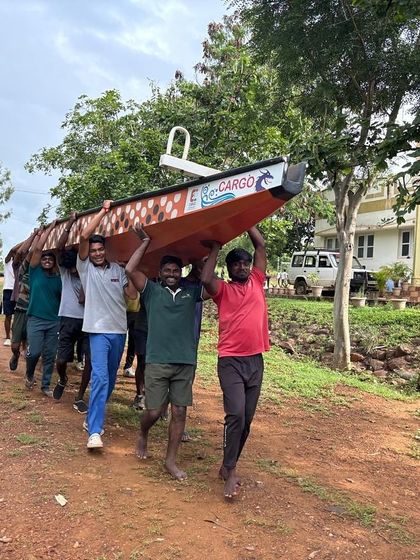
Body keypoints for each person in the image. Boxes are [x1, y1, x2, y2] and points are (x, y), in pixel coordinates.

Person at [125, 224, 203, 480]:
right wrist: (145, 241)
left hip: (184, 362)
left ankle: (170, 461)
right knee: (154, 412)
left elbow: (209, 278)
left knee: (180, 412)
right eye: (167, 270)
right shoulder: (151, 292)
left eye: (175, 270)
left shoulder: (191, 292)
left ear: (181, 273)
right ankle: (144, 434)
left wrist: (211, 250)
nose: (172, 274)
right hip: (158, 361)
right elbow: (129, 269)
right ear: (159, 273)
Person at [200, 226, 269, 499]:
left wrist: (248, 222)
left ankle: (229, 465)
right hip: (230, 361)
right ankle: (230, 471)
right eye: (236, 264)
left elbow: (260, 247)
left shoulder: (256, 280)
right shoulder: (222, 291)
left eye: (245, 263)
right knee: (235, 415)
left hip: (255, 361)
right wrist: (216, 247)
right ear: (228, 269)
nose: (242, 267)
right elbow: (206, 278)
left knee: (247, 420)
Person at [77, 200, 137, 449]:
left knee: (110, 379)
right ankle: (94, 431)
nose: (97, 253)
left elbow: (132, 295)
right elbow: (84, 235)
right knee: (100, 377)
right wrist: (103, 211)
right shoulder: (85, 269)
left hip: (118, 331)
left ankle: (93, 412)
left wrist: (134, 270)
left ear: (106, 250)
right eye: (93, 250)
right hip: (97, 332)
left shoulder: (119, 270)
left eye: (100, 249)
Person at [52, 213, 92, 414]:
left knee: (90, 362)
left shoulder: (88, 270)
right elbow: (59, 249)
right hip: (68, 319)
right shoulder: (66, 273)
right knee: (61, 360)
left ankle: (79, 396)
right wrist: (69, 224)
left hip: (89, 321)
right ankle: (63, 379)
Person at [25, 222, 62, 397]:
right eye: (44, 258)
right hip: (35, 319)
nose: (46, 260)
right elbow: (38, 250)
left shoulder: (58, 277)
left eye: (50, 258)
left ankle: (45, 385)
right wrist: (48, 231)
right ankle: (29, 373)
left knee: (50, 355)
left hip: (54, 321)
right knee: (34, 352)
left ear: (54, 262)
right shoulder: (35, 272)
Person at [9, 230, 38, 371]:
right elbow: (20, 252)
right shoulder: (20, 270)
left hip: (34, 312)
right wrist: (34, 236)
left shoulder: (39, 271)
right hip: (20, 310)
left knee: (29, 346)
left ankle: (29, 373)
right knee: (15, 345)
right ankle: (15, 355)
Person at [3, 247, 16, 346]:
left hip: (20, 290)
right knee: (8, 315)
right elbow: (11, 250)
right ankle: (8, 337)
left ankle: (18, 337)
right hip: (8, 289)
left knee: (21, 315)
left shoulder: (23, 263)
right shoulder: (8, 262)